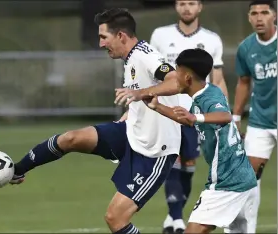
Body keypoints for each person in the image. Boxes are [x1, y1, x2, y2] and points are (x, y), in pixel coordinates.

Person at [0, 8, 183, 234]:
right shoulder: (131, 58)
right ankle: (17, 170)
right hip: (131, 132)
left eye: (104, 37)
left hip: (154, 152)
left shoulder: (146, 55)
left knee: (115, 219)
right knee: (70, 139)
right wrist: (135, 107)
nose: (101, 44)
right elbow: (146, 97)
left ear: (121, 36)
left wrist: (139, 93)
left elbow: (175, 82)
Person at [115, 48, 257, 234]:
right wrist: (158, 107)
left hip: (227, 183)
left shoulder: (209, 98)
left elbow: (224, 116)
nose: (174, 80)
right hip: (243, 179)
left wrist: (195, 118)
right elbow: (186, 119)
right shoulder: (206, 92)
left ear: (188, 78)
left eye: (177, 74)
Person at [150, 1, 229, 232]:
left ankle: (172, 218)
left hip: (196, 113)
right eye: (182, 3)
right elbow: (152, 73)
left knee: (189, 164)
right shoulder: (160, 35)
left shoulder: (212, 39)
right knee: (171, 161)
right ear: (176, 6)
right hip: (168, 109)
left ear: (200, 7)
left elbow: (218, 78)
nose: (187, 8)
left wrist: (225, 112)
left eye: (191, 3)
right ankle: (176, 219)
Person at [232, 0, 277, 232]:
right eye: (254, 13)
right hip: (260, 121)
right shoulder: (246, 48)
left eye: (265, 12)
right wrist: (236, 117)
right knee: (249, 179)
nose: (259, 17)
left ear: (275, 16)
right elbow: (244, 82)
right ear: (249, 18)